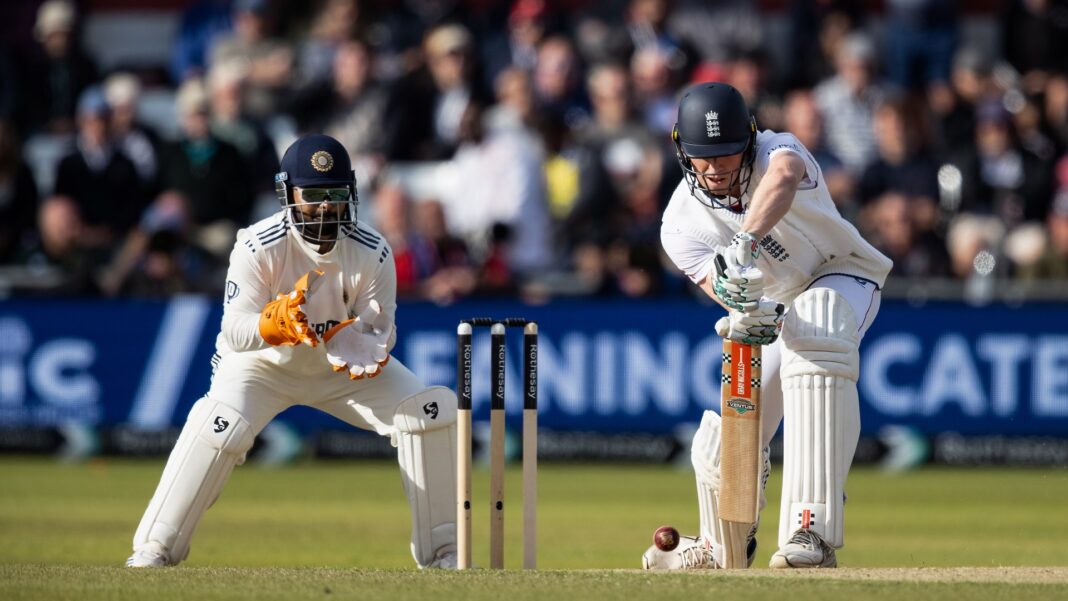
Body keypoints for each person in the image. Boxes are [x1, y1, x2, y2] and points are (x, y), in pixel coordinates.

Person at [126, 134, 458, 569]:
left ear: (350, 194)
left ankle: (444, 553)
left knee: (427, 411)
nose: (324, 208)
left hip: (339, 369)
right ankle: (155, 548)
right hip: (262, 367)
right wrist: (273, 324)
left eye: (334, 195)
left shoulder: (373, 250)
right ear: (288, 194)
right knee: (218, 425)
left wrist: (358, 339)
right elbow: (234, 331)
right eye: (313, 196)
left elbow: (384, 331)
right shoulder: (257, 244)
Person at [644, 82, 892, 569]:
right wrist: (745, 308)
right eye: (702, 157)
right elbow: (726, 292)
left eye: (727, 153)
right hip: (779, 303)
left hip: (843, 272)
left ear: (750, 139)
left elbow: (783, 177)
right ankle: (721, 548)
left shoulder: (779, 149)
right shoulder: (679, 225)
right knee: (724, 438)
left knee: (817, 327)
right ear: (682, 151)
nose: (715, 168)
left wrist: (746, 240)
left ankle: (811, 529)